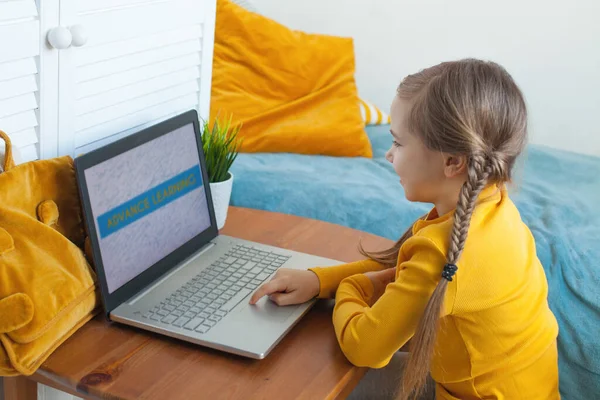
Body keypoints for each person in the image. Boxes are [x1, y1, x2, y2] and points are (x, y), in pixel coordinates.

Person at [249, 59, 560, 400]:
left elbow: (364, 347)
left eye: (398, 142)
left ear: (453, 162)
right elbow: (406, 269)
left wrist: (352, 287)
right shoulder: (494, 207)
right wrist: (321, 280)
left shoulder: (445, 252)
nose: (388, 154)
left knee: (303, 376)